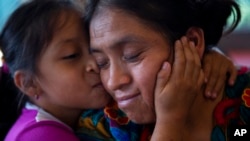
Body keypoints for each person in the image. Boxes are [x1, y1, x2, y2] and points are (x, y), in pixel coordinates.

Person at [79, 0, 250, 140]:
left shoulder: (244, 97)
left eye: (132, 55)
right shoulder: (101, 125)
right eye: (102, 63)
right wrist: (170, 122)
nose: (113, 82)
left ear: (193, 42)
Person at [0, 0, 111, 140]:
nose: (95, 62)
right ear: (30, 83)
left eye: (93, 49)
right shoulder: (40, 136)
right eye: (72, 55)